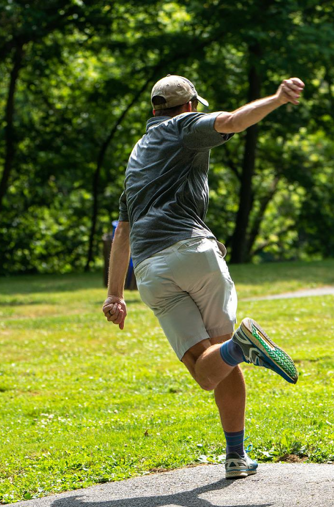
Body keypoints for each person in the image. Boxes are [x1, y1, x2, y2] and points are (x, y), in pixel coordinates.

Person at [101, 74, 304, 479]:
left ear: (153, 109)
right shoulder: (183, 126)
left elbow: (122, 231)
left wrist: (114, 295)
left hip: (150, 270)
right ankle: (241, 347)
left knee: (206, 370)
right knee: (222, 356)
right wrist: (278, 99)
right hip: (195, 253)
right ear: (190, 106)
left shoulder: (136, 156)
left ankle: (235, 457)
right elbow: (230, 122)